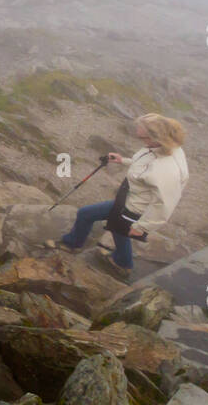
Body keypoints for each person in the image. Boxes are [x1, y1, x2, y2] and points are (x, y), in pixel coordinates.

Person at [47, 114, 189, 280]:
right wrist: (123, 160)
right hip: (129, 200)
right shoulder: (163, 147)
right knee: (113, 229)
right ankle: (119, 262)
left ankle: (82, 249)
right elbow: (146, 167)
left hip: (134, 209)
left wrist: (142, 226)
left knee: (101, 222)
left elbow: (165, 204)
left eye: (142, 137)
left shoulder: (167, 168)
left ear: (155, 136)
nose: (141, 140)